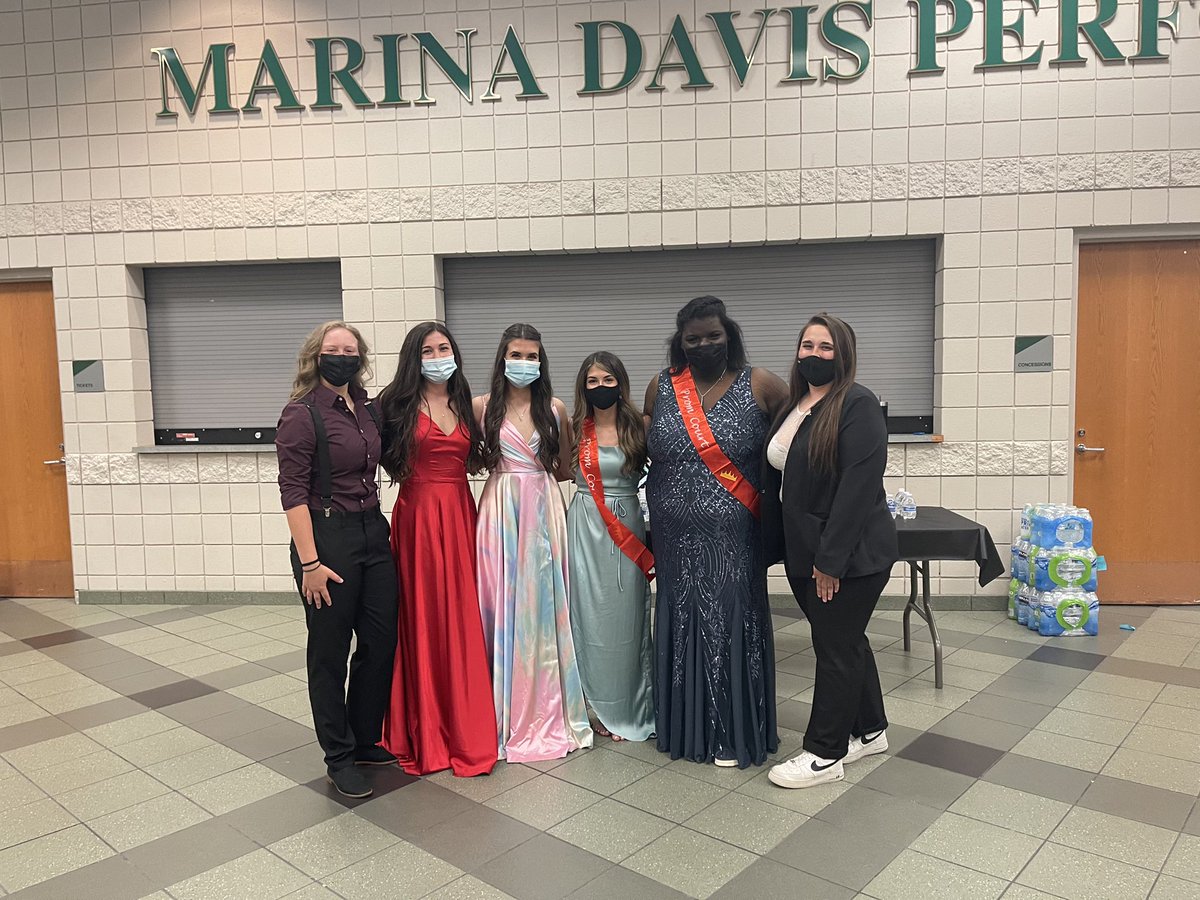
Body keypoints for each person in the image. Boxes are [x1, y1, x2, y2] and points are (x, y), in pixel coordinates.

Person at [644, 296, 788, 768]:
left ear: (730, 337)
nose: (704, 345)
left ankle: (732, 732)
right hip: (672, 537)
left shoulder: (761, 383)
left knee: (729, 623)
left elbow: (799, 439)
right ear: (679, 344)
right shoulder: (660, 388)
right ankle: (685, 731)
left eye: (713, 336)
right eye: (693, 339)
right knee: (681, 621)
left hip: (735, 537)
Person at [761, 313, 899, 789]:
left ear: (843, 354)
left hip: (847, 558)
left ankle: (825, 752)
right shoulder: (796, 404)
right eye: (807, 346)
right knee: (847, 640)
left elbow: (858, 489)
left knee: (834, 648)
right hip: (805, 552)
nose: (814, 355)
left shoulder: (856, 404)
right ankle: (872, 729)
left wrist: (830, 561)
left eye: (825, 347)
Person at [275, 321, 398, 799]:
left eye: (350, 350)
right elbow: (293, 493)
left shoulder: (366, 408)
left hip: (373, 532)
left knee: (380, 642)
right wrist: (309, 564)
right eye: (333, 349)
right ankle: (339, 756)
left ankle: (365, 738)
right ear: (316, 356)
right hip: (327, 539)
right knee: (329, 654)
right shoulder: (301, 414)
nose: (342, 356)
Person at [376, 322, 497, 778]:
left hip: (461, 514)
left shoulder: (467, 402)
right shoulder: (395, 404)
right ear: (414, 357)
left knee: (462, 617)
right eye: (428, 349)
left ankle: (466, 724)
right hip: (418, 518)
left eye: (444, 347)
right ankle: (426, 728)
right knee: (424, 618)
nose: (438, 355)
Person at [473, 323, 592, 763]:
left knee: (545, 606)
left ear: (542, 362)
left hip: (543, 508)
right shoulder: (481, 407)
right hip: (500, 508)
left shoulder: (554, 408)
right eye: (516, 355)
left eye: (532, 357)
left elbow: (563, 466)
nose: (524, 364)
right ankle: (496, 708)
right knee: (500, 603)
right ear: (502, 358)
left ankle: (549, 704)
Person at [568, 352, 655, 743]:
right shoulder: (572, 428)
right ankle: (595, 707)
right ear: (583, 388)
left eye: (607, 380)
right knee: (588, 617)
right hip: (585, 525)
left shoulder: (640, 426)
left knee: (628, 618)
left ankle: (631, 705)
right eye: (592, 381)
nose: (600, 387)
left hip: (628, 527)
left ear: (620, 383)